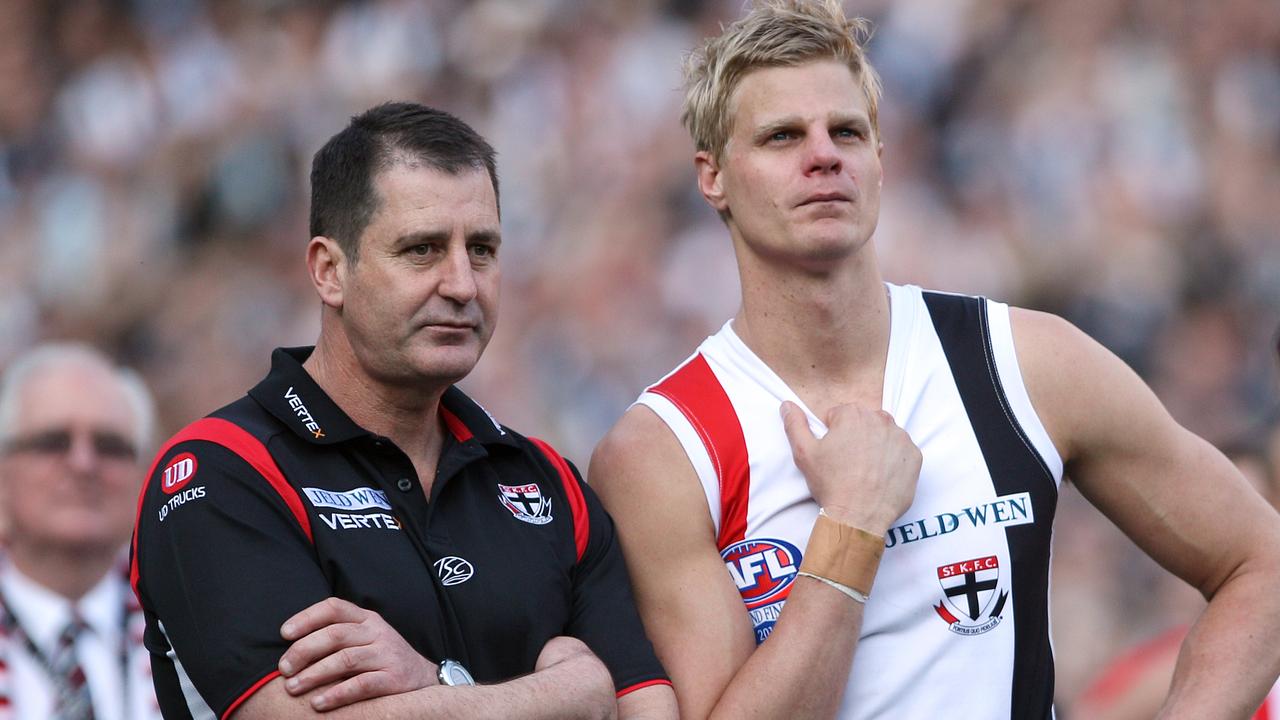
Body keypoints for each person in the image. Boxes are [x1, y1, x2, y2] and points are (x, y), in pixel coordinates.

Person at [588, 1, 1280, 718]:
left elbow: (1262, 562)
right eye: (782, 136)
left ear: (881, 160)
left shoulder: (1022, 362)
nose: (823, 154)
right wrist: (853, 526)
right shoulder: (662, 451)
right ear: (713, 176)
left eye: (847, 131)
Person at [131, 103, 676, 719]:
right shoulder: (222, 474)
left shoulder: (549, 480)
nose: (462, 285)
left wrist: (435, 686)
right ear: (329, 270)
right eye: (421, 250)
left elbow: (649, 713)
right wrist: (577, 690)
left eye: (482, 250)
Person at [0, 343, 161, 720]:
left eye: (110, 446)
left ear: (143, 475)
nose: (83, 463)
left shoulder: (196, 628)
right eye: (53, 442)